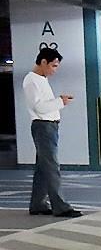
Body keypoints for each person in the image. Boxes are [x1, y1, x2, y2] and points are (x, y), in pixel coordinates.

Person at [23, 47, 82, 218]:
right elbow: (39, 107)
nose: (54, 70)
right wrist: (60, 102)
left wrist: (59, 101)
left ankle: (38, 204)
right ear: (43, 62)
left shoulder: (40, 79)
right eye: (53, 66)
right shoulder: (32, 80)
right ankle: (61, 207)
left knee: (43, 168)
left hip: (48, 126)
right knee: (51, 166)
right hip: (43, 126)